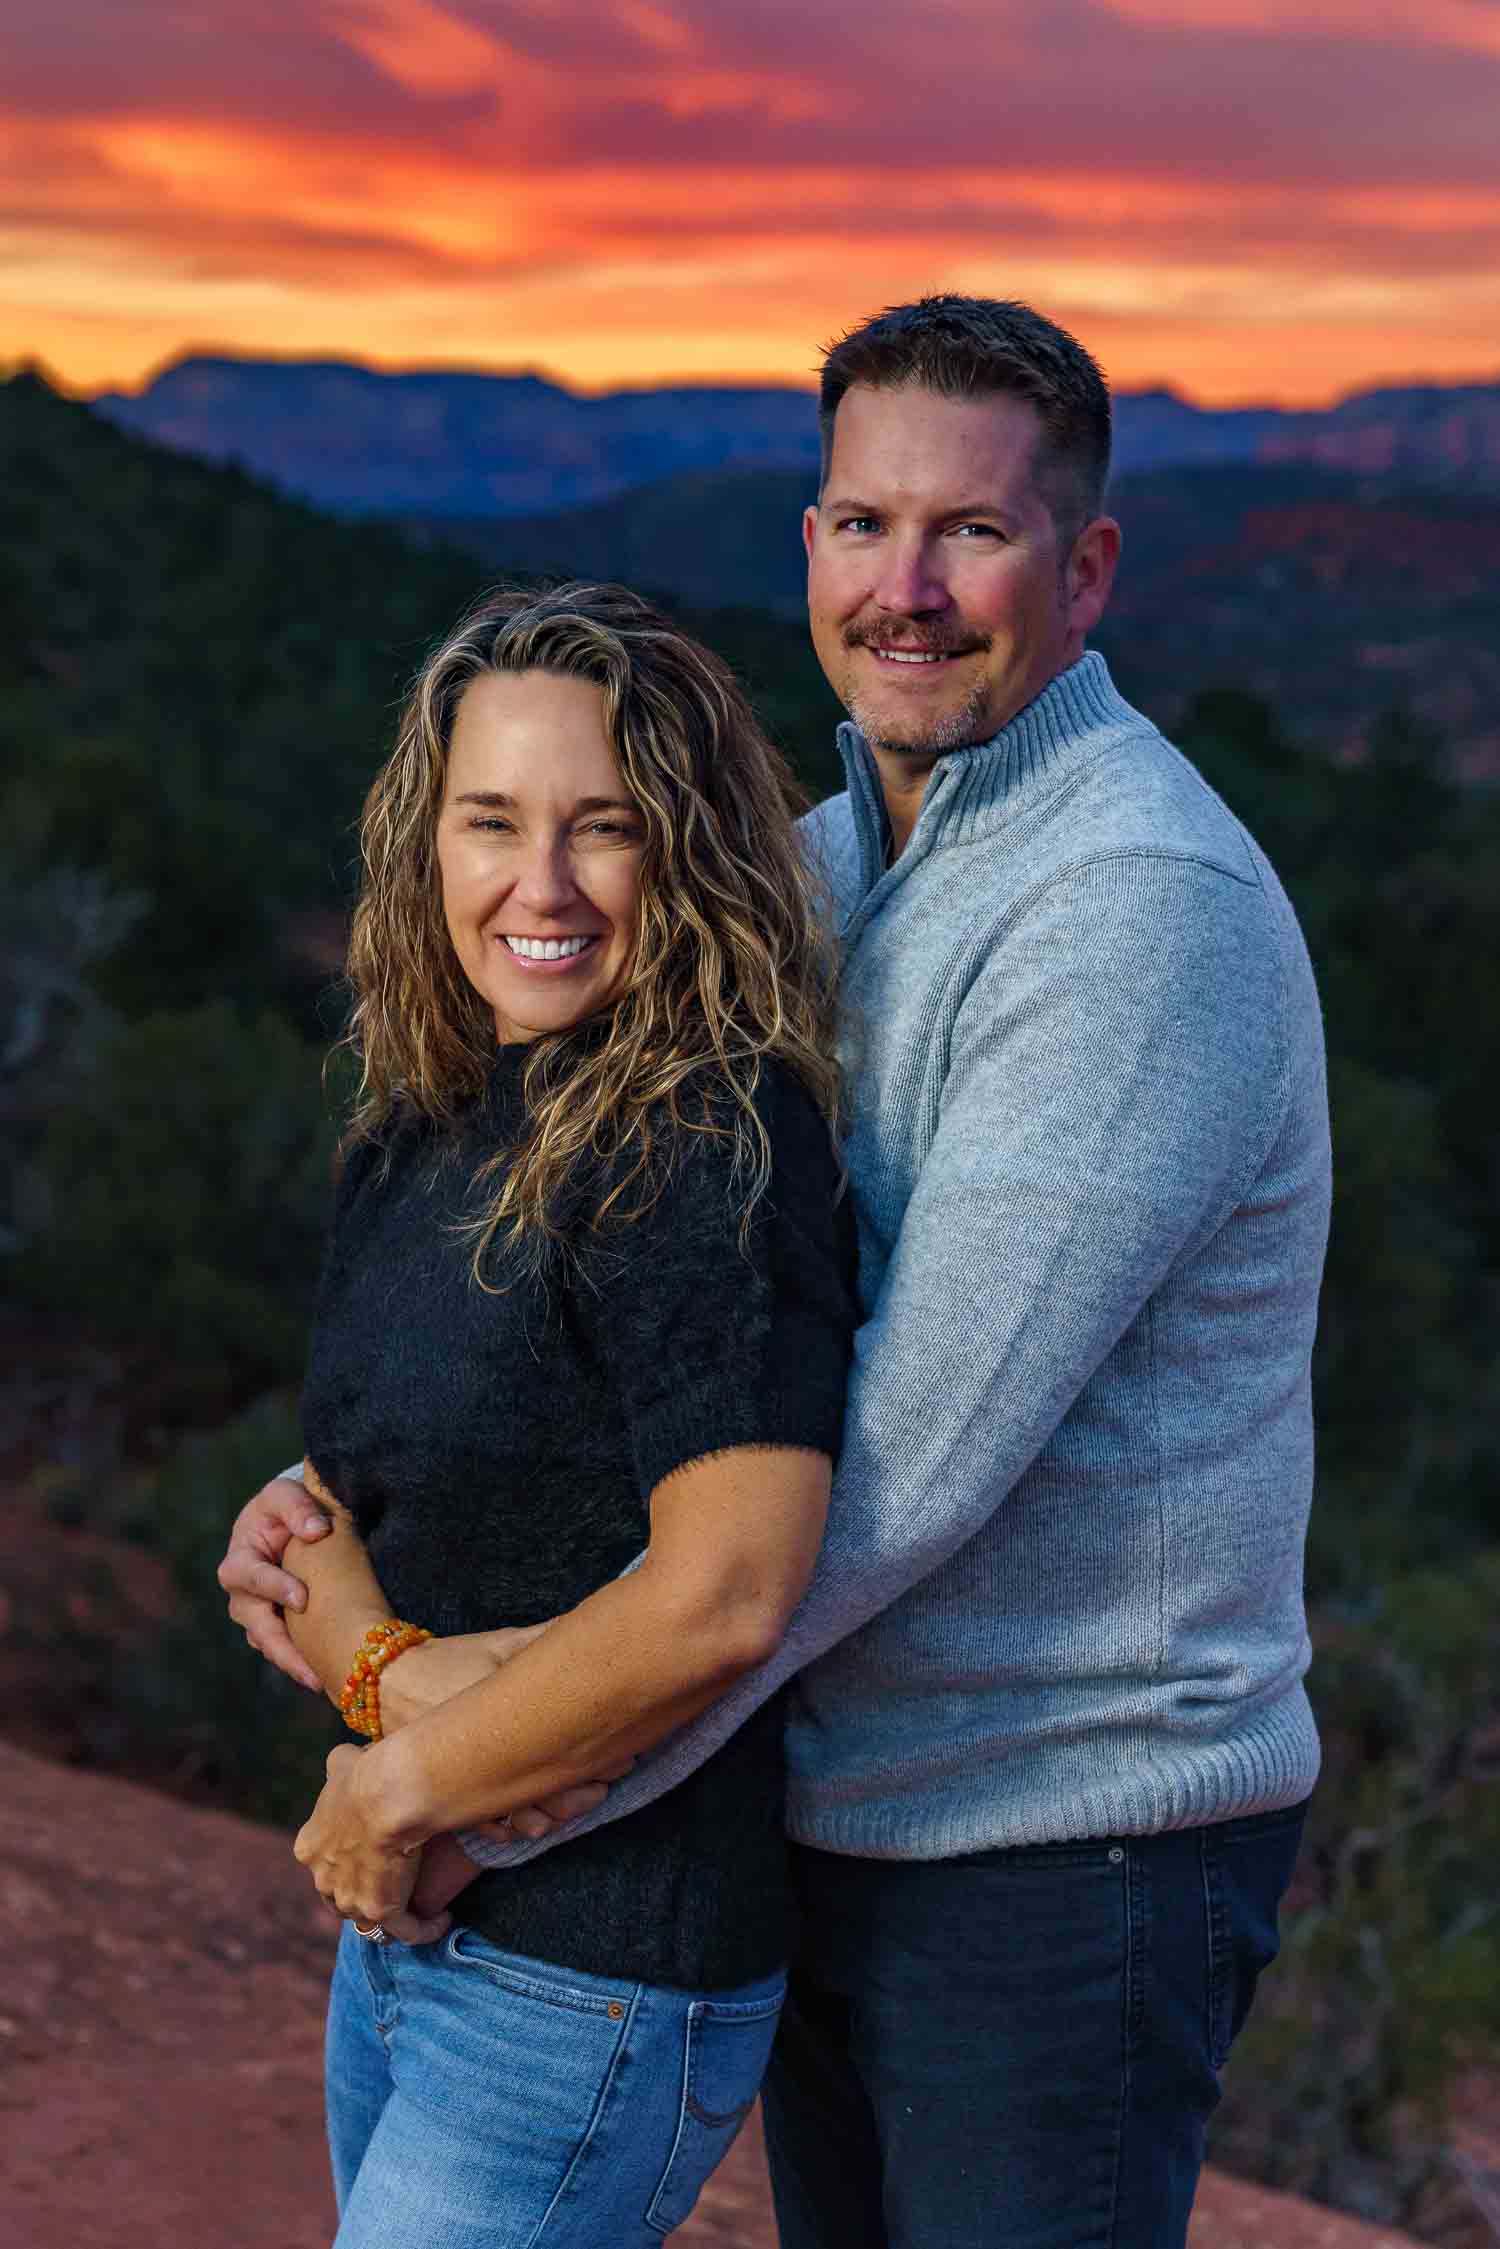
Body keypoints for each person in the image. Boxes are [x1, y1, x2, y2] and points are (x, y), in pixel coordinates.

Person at [225, 296, 1331, 2249]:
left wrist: (454, 1753)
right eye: (859, 525)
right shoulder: (814, 873)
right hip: (825, 1796)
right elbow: (620, 1284)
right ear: (807, 541)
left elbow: (895, 1477)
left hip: (1060, 1840)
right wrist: (373, 1529)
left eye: (973, 534)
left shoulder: (1133, 910)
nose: (906, 588)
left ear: (1084, 571)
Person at [253, 580, 857, 2247]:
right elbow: (417, 1459)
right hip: (413, 1936)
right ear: (424, 840)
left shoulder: (702, 1147)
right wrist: (303, 1528)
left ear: (692, 854)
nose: (541, 886)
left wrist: (392, 1770)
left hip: (594, 1971)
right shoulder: (421, 1124)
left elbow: (729, 1589)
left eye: (606, 829)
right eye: (491, 822)